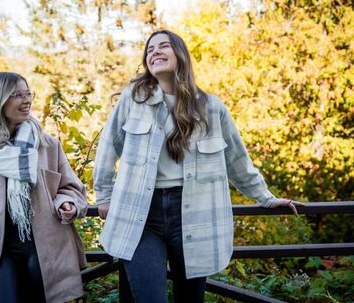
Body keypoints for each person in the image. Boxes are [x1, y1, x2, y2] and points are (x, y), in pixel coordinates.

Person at [93, 30, 303, 302]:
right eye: (150, 49)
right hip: (140, 215)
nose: (154, 51)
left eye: (163, 46)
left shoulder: (212, 108)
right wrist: (104, 196)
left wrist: (266, 198)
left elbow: (238, 161)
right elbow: (108, 148)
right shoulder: (133, 100)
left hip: (194, 215)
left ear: (180, 55)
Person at [0, 72, 87, 303]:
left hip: (47, 249)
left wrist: (67, 202)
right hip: (0, 250)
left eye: (28, 93)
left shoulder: (47, 145)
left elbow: (71, 188)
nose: (26, 101)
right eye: (16, 95)